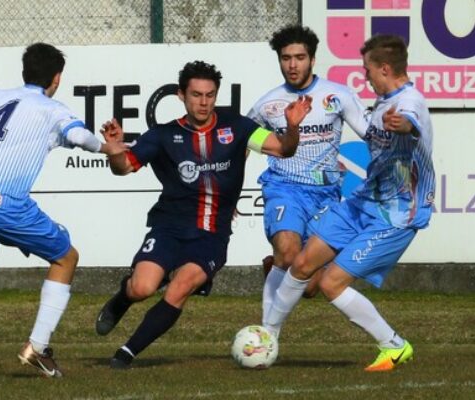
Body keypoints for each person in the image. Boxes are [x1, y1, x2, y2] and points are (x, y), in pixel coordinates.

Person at [0, 42, 125, 378]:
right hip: (3, 204)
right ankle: (38, 348)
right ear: (56, 78)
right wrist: (107, 146)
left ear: (24, 71)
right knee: (66, 257)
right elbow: (78, 136)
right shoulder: (52, 109)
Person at [95, 60, 312, 369]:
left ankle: (125, 354)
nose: (203, 102)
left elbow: (283, 149)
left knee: (181, 286)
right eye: (196, 95)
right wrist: (116, 149)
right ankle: (122, 298)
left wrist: (292, 127)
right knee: (141, 287)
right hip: (168, 227)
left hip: (212, 234)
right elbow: (124, 168)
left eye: (210, 95)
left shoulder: (237, 127)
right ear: (182, 95)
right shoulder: (163, 135)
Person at [263, 34, 435, 372]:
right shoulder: (382, 101)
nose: (364, 75)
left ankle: (394, 345)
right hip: (362, 201)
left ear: (384, 68)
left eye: (367, 69)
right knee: (301, 264)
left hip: (396, 215)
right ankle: (267, 338)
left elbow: (410, 123)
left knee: (330, 283)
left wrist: (401, 125)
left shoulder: (409, 102)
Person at [247, 25, 370, 326]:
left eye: (299, 57)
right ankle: (266, 338)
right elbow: (243, 142)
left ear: (312, 60)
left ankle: (273, 266)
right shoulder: (268, 104)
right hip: (284, 187)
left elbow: (371, 134)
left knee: (311, 286)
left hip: (326, 194)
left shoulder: (338, 96)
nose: (292, 65)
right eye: (286, 58)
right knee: (289, 254)